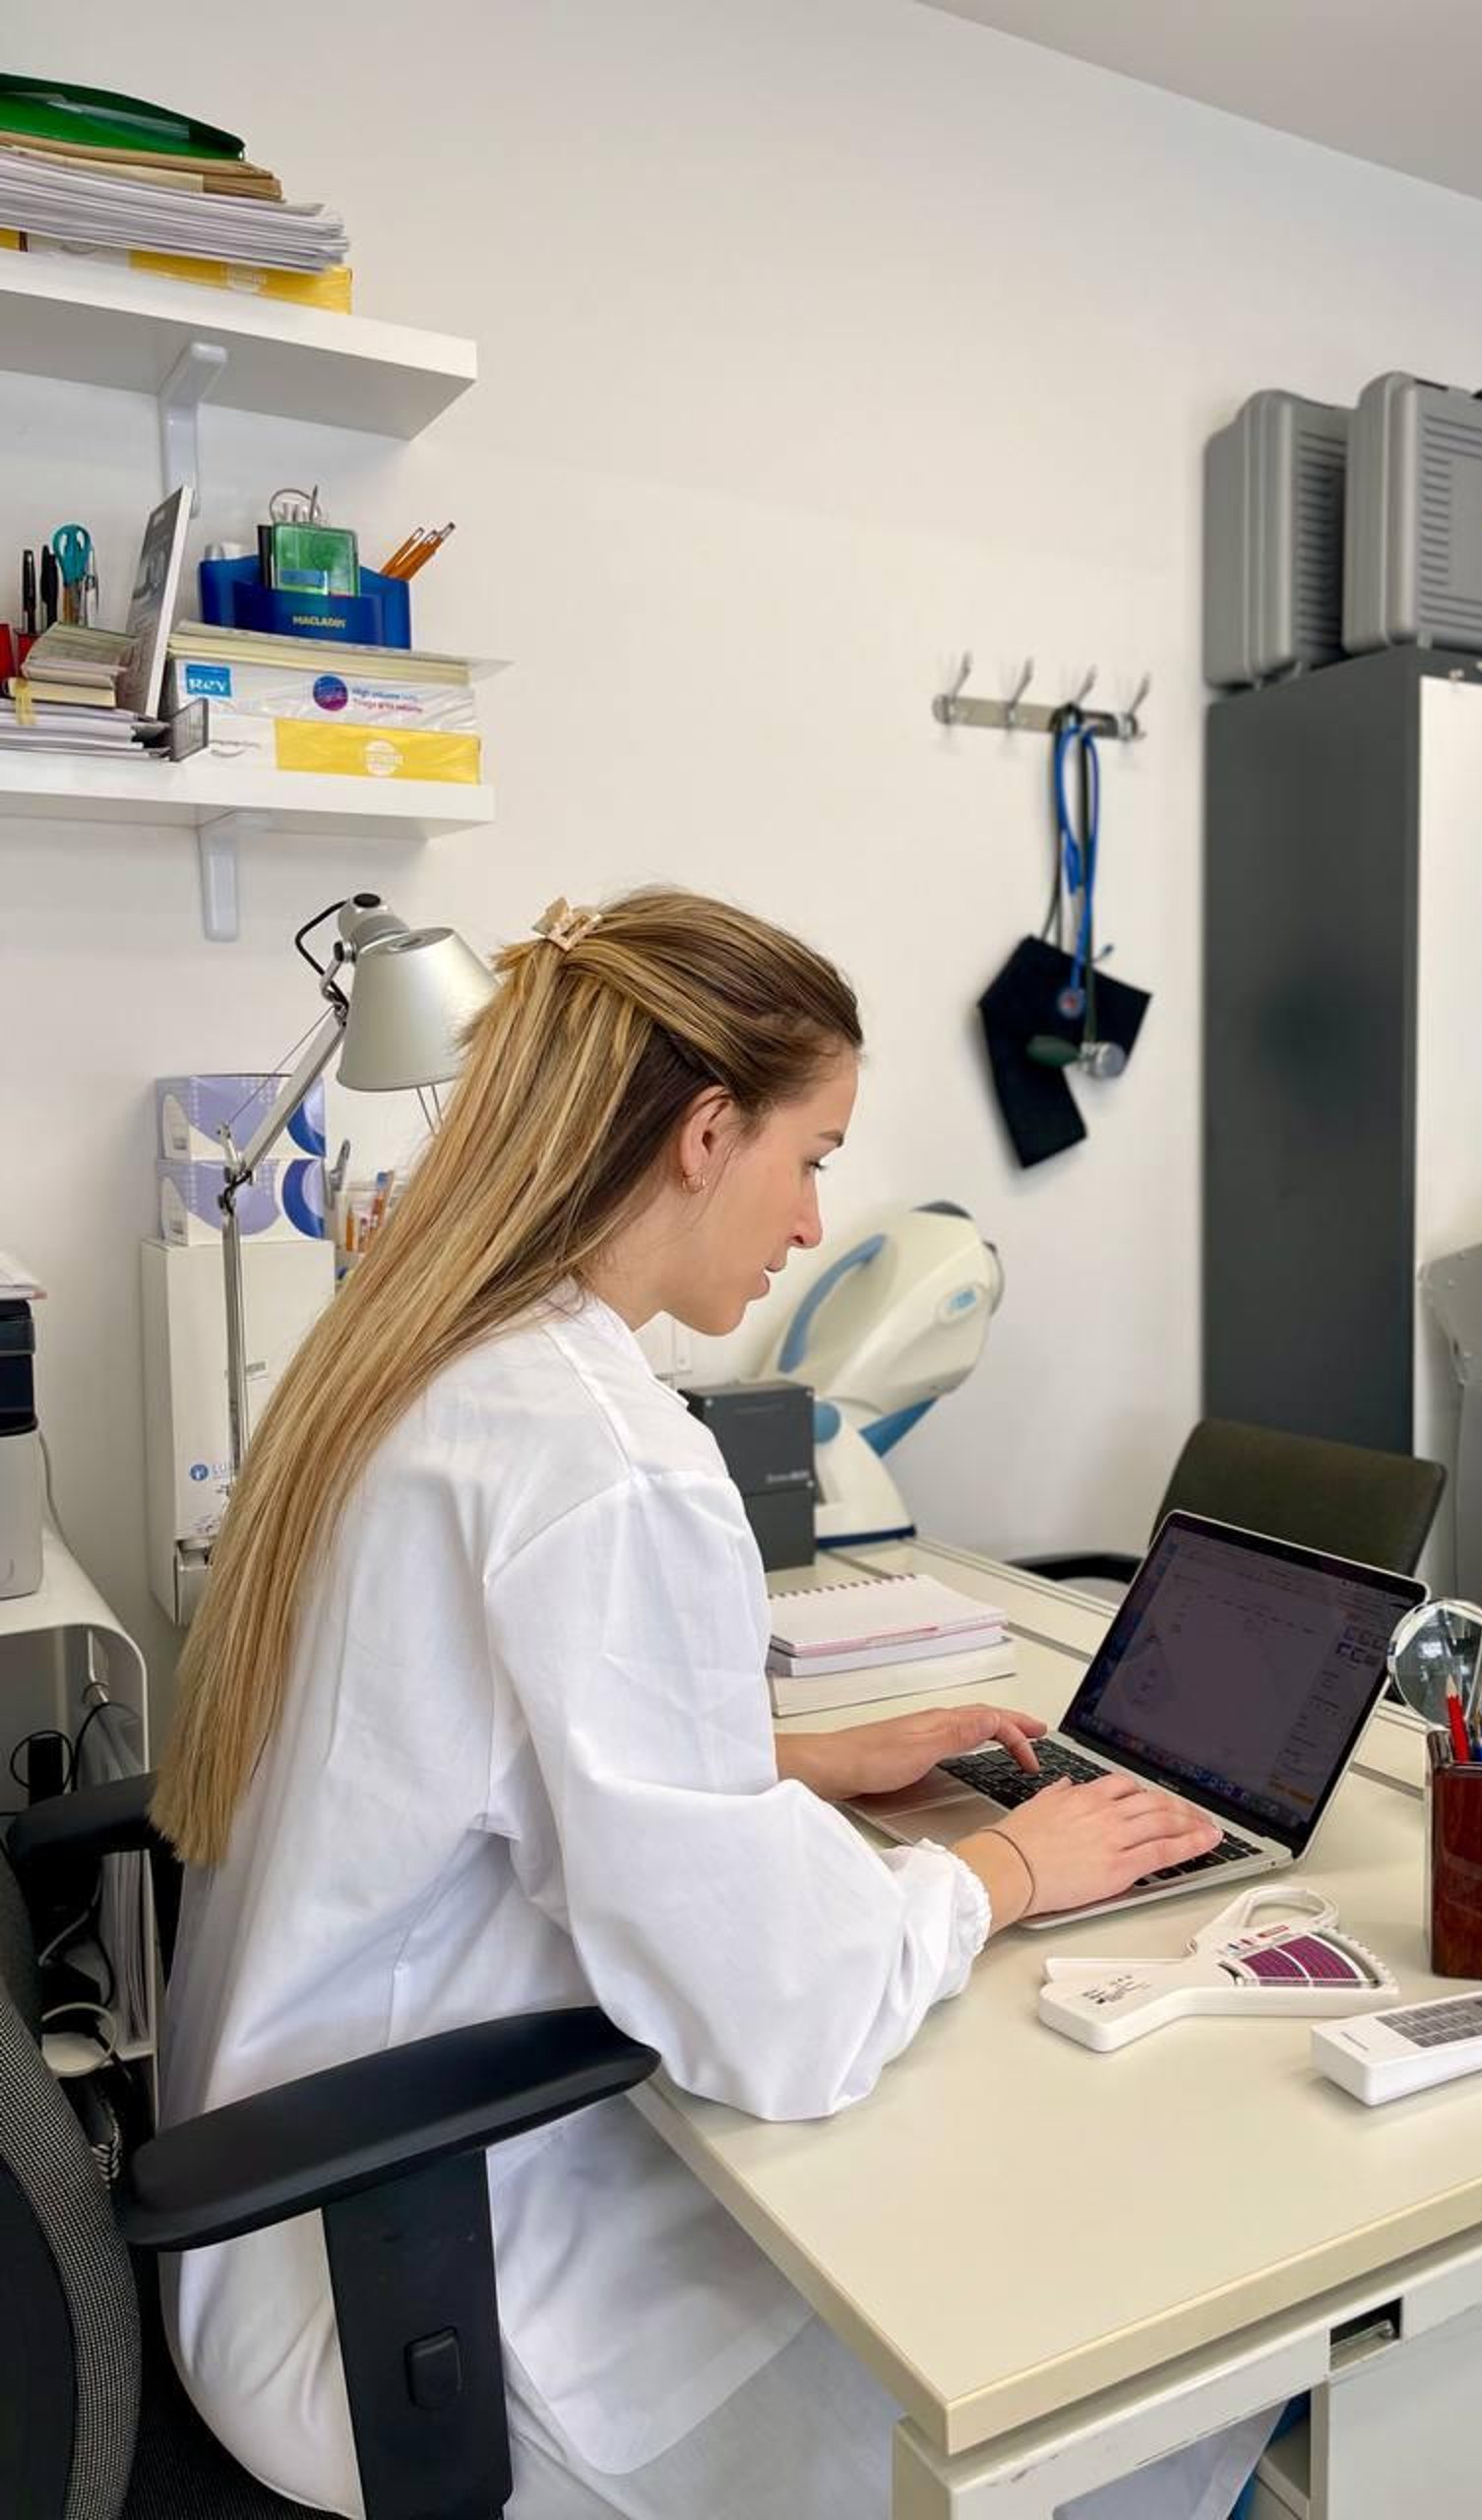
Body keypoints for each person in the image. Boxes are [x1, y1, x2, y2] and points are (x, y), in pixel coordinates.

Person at [154, 888, 1279, 2519]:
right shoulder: (606, 1461)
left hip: (292, 2210)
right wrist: (1009, 1873)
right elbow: (782, 2016)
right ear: (703, 1133)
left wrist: (785, 1760)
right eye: (813, 1155)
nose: (816, 1223)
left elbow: (471, 1748)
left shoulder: (422, 1361)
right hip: (410, 2314)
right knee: (1144, 2359)